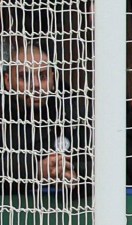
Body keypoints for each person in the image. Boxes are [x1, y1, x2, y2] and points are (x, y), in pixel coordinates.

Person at [1, 39, 89, 192]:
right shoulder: (3, 116)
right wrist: (36, 169)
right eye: (24, 77)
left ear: (53, 78)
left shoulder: (73, 114)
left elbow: (96, 161)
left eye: (42, 76)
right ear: (7, 81)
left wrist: (74, 173)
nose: (35, 85)